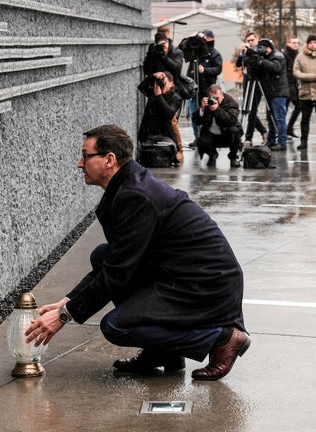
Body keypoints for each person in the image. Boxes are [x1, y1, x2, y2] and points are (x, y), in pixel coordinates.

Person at [25, 125, 250, 381]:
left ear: (109, 160)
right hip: (181, 274)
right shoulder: (128, 187)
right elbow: (114, 262)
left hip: (206, 285)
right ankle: (164, 351)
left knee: (115, 326)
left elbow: (118, 273)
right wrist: (68, 301)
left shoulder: (136, 196)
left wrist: (66, 316)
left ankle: (221, 338)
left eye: (85, 156)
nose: (79, 163)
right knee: (101, 254)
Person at [143, 28, 186, 163]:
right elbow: (147, 70)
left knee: (171, 122)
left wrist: (163, 57)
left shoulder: (176, 52)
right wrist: (150, 55)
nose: (162, 47)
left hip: (172, 90)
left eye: (164, 44)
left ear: (168, 42)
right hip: (157, 91)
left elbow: (176, 69)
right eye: (159, 44)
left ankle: (179, 151)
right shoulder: (154, 52)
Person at [184, 29, 223, 147]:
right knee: (194, 115)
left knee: (207, 117)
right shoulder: (195, 53)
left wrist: (205, 70)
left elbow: (218, 69)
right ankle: (197, 138)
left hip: (207, 89)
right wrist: (189, 40)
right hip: (193, 89)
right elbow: (183, 51)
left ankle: (208, 139)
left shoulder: (215, 54)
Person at [137, 71, 183, 160]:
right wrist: (152, 76)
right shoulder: (154, 90)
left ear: (171, 84)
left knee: (165, 153)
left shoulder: (176, 98)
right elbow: (141, 87)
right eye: (160, 80)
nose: (162, 82)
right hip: (148, 132)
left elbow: (169, 113)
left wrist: (159, 96)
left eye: (164, 80)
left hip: (164, 133)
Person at [194, 85, 243, 167]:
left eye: (217, 98)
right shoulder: (206, 103)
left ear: (222, 95)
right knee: (200, 141)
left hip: (227, 135)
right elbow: (197, 121)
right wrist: (202, 109)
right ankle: (212, 155)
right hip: (211, 135)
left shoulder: (230, 102)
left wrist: (218, 109)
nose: (214, 100)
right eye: (212, 98)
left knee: (235, 131)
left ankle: (233, 157)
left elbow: (231, 120)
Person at [255, 38, 289, 150]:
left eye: (262, 48)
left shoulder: (278, 56)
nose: (261, 50)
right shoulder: (265, 58)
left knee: (279, 118)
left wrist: (260, 61)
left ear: (269, 48)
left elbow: (275, 68)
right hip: (269, 92)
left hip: (278, 92)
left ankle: (282, 142)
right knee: (270, 118)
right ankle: (271, 140)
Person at [236, 31, 268, 146]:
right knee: (247, 110)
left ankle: (248, 138)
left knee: (252, 110)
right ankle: (263, 131)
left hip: (256, 82)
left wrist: (250, 52)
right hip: (247, 82)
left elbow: (259, 63)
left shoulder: (260, 50)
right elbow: (238, 64)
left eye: (252, 40)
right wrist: (242, 53)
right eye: (248, 41)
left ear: (257, 40)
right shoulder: (245, 52)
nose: (250, 42)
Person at [283, 36, 301, 138]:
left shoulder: (297, 55)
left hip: (293, 85)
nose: (296, 45)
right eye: (293, 42)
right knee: (284, 109)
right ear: (288, 43)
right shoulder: (285, 55)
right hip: (287, 86)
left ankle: (289, 128)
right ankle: (284, 130)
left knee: (299, 106)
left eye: (297, 43)